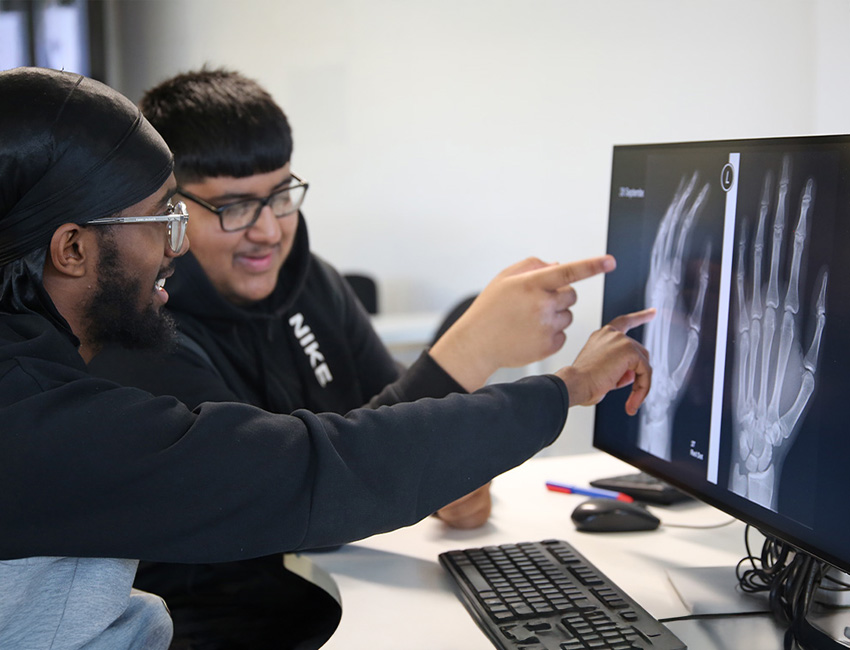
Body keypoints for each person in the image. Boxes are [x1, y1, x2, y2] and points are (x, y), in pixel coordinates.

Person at [0, 66, 652, 650]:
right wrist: (552, 386)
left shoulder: (311, 282)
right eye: (165, 220)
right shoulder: (57, 395)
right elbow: (300, 474)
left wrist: (446, 466)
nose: (176, 246)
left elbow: (357, 448)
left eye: (279, 197)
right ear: (73, 250)